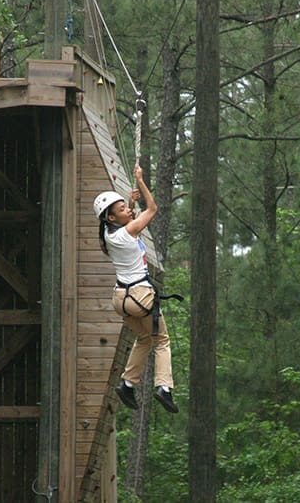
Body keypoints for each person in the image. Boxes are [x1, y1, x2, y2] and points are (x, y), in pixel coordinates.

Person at [93, 166, 179, 413]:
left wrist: (128, 205)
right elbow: (152, 210)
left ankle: (128, 383)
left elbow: (127, 222)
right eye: (122, 209)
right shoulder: (128, 232)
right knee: (162, 340)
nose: (128, 210)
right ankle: (164, 387)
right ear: (111, 218)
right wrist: (140, 180)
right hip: (140, 296)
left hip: (121, 299)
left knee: (144, 338)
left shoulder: (110, 236)